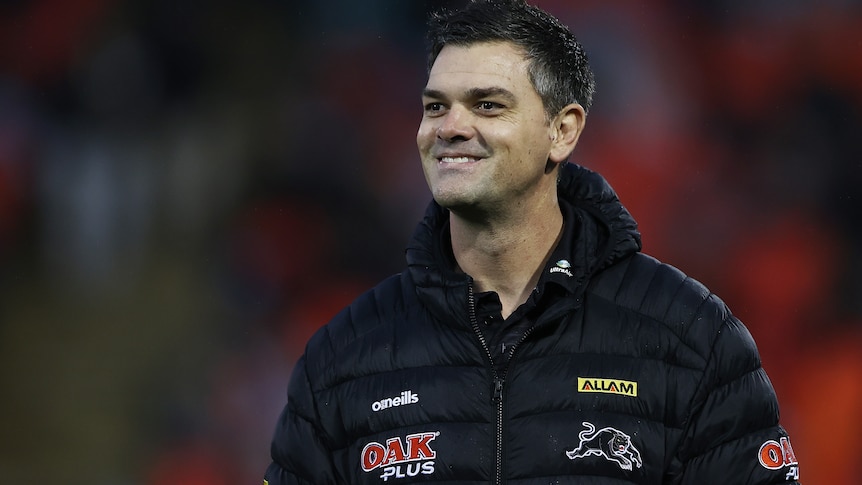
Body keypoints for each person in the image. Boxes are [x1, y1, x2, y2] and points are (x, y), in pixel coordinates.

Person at [263, 0, 801, 483]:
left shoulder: (690, 337)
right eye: (435, 106)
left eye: (488, 106)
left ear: (562, 131)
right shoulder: (345, 357)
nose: (450, 127)